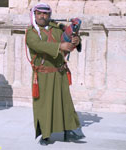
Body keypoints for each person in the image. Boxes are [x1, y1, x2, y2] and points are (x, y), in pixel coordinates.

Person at [26, 3, 84, 145]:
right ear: (35, 14)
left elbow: (68, 38)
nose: (42, 16)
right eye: (39, 13)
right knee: (44, 106)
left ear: (49, 15)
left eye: (45, 14)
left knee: (65, 103)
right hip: (43, 75)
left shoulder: (57, 28)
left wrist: (76, 40)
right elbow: (39, 46)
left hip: (60, 73)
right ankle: (45, 135)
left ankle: (69, 130)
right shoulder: (31, 32)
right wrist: (59, 46)